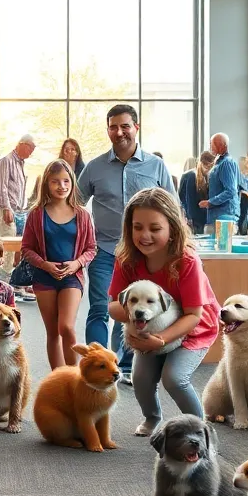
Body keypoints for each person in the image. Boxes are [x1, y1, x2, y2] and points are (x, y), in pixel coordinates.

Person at [108, 188, 221, 436]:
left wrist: (160, 340)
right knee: (140, 379)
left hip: (193, 327)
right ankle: (152, 417)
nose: (145, 235)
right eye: (137, 227)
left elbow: (194, 314)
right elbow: (114, 305)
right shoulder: (126, 259)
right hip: (147, 330)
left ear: (172, 228)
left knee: (174, 378)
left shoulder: (186, 261)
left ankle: (199, 431)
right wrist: (136, 314)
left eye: (155, 229)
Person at [78, 104, 176, 384]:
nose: (119, 132)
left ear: (136, 127)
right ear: (108, 130)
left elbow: (173, 208)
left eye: (124, 126)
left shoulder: (155, 166)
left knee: (134, 310)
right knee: (100, 307)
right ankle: (96, 363)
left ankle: (127, 365)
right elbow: (76, 204)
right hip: (104, 251)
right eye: (113, 127)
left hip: (144, 253)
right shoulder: (95, 167)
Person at [21, 159, 97, 369]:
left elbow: (91, 248)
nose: (61, 186)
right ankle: (59, 379)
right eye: (55, 182)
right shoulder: (36, 214)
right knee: (53, 332)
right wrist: (45, 265)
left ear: (72, 183)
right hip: (44, 277)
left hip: (72, 278)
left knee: (66, 327)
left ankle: (74, 377)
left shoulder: (82, 214)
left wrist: (77, 264)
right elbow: (26, 249)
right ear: (46, 183)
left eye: (66, 181)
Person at [0, 135, 36, 278]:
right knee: (7, 247)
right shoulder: (6, 161)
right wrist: (6, 208)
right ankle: (3, 280)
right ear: (22, 144)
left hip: (18, 210)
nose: (32, 151)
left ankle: (10, 280)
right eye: (31, 147)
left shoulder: (20, 164)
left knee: (17, 248)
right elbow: (1, 187)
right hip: (6, 209)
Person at [199, 133, 239, 231]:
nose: (210, 147)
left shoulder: (226, 163)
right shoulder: (220, 162)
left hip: (223, 218)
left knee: (221, 246)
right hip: (217, 217)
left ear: (220, 145)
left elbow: (230, 191)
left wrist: (210, 202)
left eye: (211, 144)